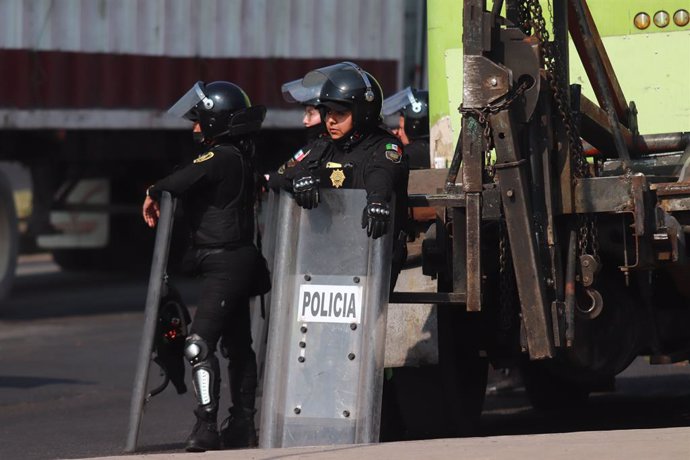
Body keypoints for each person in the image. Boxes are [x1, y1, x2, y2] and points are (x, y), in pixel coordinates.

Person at [142, 80, 269, 452]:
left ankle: (207, 425)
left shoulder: (221, 156)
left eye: (200, 120)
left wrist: (151, 192)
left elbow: (176, 181)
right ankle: (243, 424)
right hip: (234, 261)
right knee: (238, 345)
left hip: (226, 262)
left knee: (198, 345)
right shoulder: (238, 155)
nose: (195, 128)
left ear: (217, 122)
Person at [286, 61, 409, 288]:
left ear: (362, 112)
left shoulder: (384, 146)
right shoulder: (326, 145)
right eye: (328, 111)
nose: (330, 120)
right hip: (326, 251)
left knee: (363, 323)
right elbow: (284, 173)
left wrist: (377, 200)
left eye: (340, 113)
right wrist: (299, 179)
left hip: (370, 254)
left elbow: (382, 173)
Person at [264, 81, 329, 191]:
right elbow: (285, 171)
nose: (305, 120)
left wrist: (272, 180)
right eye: (305, 113)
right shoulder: (313, 145)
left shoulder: (329, 148)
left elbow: (291, 176)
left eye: (311, 113)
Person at [382, 87, 430, 169]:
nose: (397, 132)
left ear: (414, 127)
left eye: (400, 128)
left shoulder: (416, 152)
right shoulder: (425, 148)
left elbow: (386, 159)